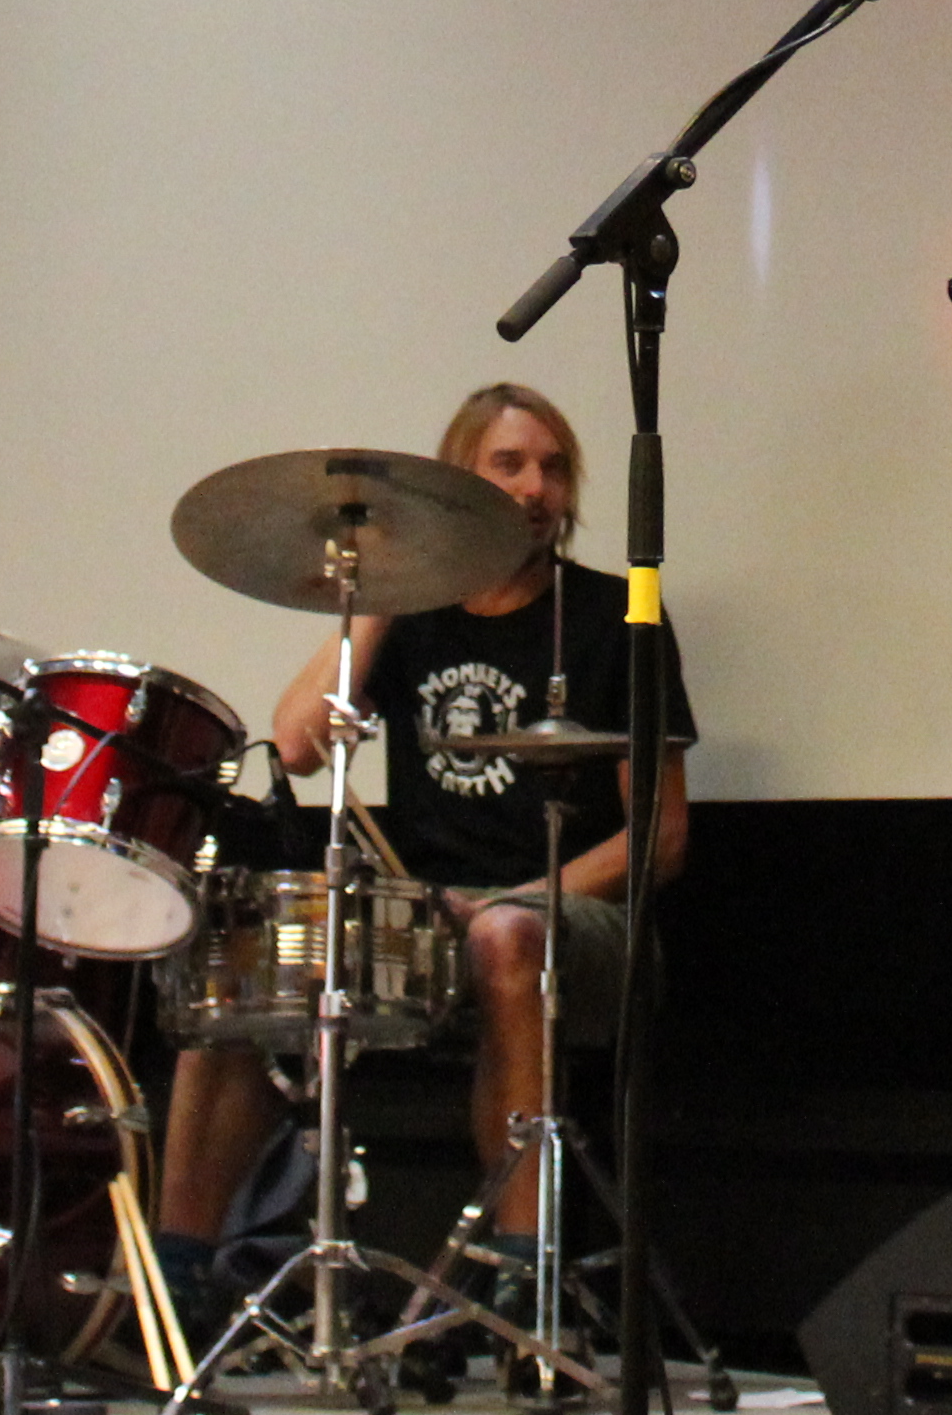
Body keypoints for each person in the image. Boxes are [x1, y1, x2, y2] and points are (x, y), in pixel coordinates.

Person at [152, 383, 692, 1306]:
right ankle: (175, 1287)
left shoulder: (615, 617)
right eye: (508, 465)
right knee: (243, 965)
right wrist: (389, 587)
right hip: (426, 930)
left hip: (583, 930)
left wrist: (514, 900)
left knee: (505, 939)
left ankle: (529, 1279)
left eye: (553, 468)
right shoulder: (415, 621)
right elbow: (294, 743)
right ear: (460, 485)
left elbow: (660, 840)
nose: (534, 487)